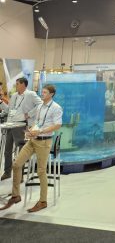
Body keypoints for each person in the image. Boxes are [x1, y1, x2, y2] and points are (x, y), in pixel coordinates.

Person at [0, 84, 62, 213]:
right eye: (42, 92)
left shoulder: (56, 108)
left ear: (51, 94)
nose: (42, 94)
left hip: (44, 142)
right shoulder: (39, 106)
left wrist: (41, 131)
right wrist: (31, 131)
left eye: (44, 92)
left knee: (41, 171)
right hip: (33, 140)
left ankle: (43, 201)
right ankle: (16, 195)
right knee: (16, 164)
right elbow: (36, 121)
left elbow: (57, 125)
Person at [1, 77, 42, 181]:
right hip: (10, 124)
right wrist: (1, 103)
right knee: (7, 150)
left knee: (21, 152)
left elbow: (41, 104)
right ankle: (7, 172)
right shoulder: (14, 95)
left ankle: (20, 176)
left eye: (18, 84)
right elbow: (9, 110)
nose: (16, 86)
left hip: (21, 125)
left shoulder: (31, 94)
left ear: (24, 84)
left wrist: (29, 114)